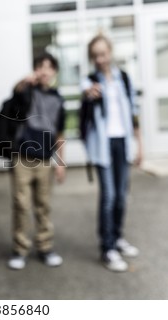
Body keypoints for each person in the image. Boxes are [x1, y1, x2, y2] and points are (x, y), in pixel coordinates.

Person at [81, 34, 142, 272]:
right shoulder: (89, 81)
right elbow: (87, 92)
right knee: (108, 197)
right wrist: (91, 94)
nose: (100, 59)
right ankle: (107, 249)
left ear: (110, 52)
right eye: (95, 55)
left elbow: (134, 113)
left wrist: (140, 145)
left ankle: (117, 238)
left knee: (121, 196)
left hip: (122, 142)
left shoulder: (123, 78)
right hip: (102, 145)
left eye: (103, 53)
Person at [7, 52, 66, 270]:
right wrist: (24, 82)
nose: (45, 71)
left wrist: (61, 163)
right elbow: (14, 97)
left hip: (44, 160)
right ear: (35, 70)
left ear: (55, 72)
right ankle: (19, 249)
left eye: (50, 67)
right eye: (41, 66)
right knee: (21, 204)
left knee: (43, 205)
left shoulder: (58, 99)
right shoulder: (26, 91)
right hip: (22, 157)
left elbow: (60, 134)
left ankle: (45, 247)